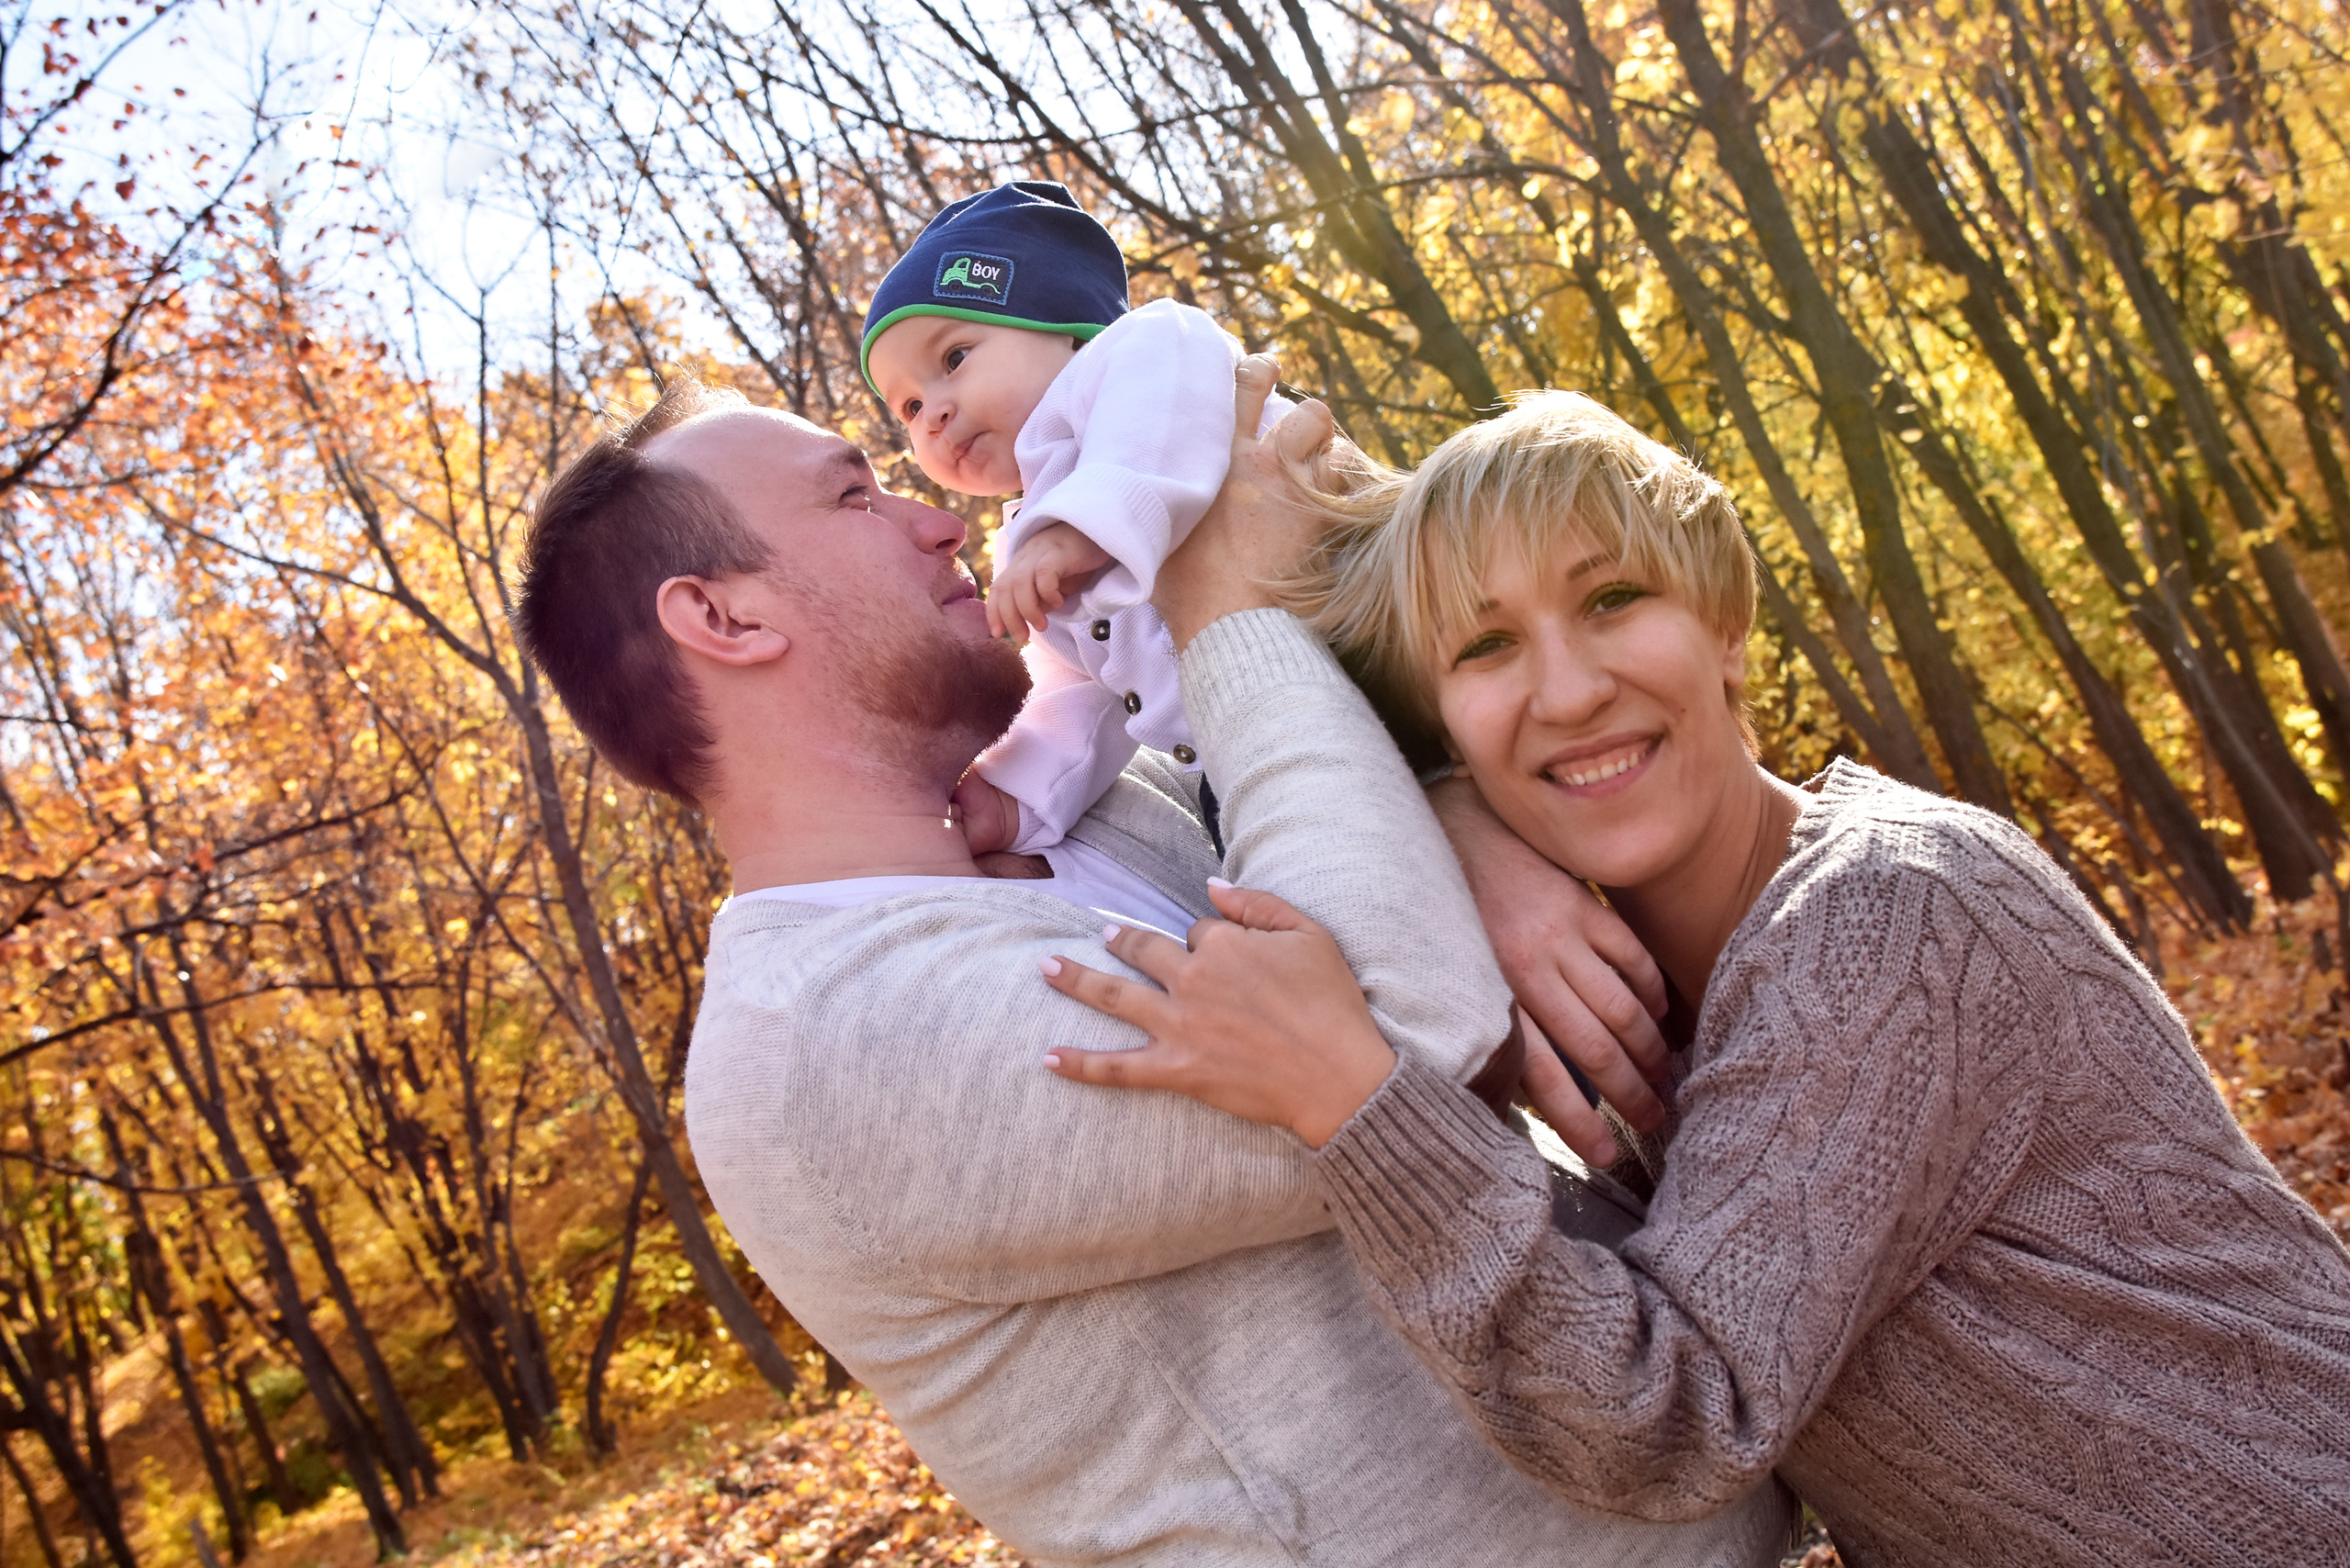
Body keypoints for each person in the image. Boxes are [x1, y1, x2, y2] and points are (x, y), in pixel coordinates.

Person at [509, 366, 1793, 1566]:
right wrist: (1226, 605)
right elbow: (1401, 1041)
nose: (942, 523)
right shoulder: (828, 1045)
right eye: (854, 493)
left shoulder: (1091, 809)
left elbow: (1339, 828)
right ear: (724, 617)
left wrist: (1456, 813)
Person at [1041, 391, 2350, 1566]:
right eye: (1485, 649)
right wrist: (1448, 814)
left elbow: (1669, 1418)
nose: (1567, 689)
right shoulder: (1665, 993)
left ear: (1725, 628)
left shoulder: (1883, 915)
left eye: (1613, 601)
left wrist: (1358, 1101)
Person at [862, 179, 1288, 857]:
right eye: (909, 408)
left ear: (1063, 328)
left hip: (1364, 654)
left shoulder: (1147, 349)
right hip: (1239, 777)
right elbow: (1081, 693)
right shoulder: (1029, 546)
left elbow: (1164, 420)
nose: (934, 413)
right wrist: (1015, 797)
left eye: (953, 358)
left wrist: (1077, 530)